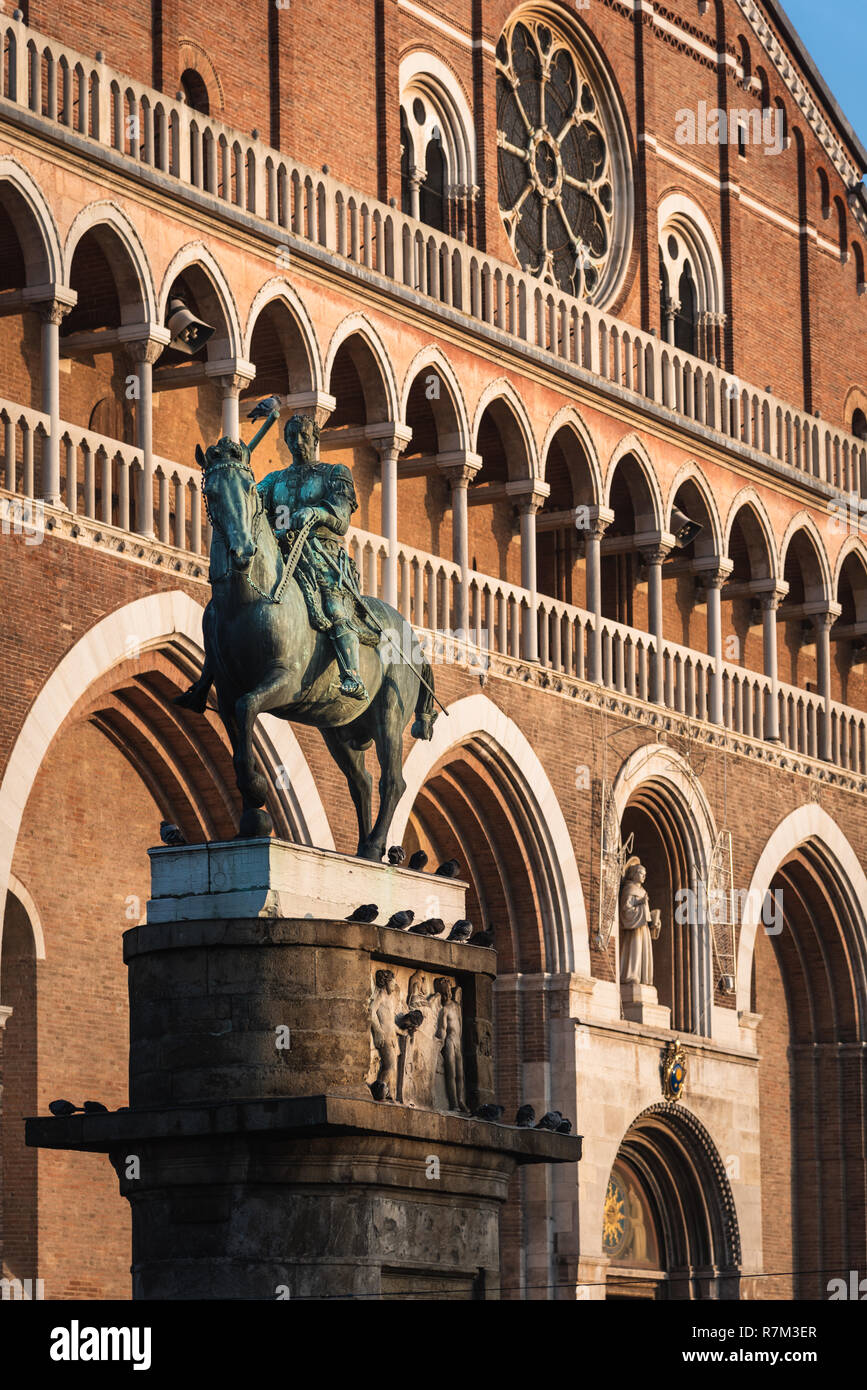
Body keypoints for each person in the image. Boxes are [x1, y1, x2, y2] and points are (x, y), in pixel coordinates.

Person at [257, 412, 378, 700]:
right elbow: (253, 503)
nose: (297, 442)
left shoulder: (334, 473)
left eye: (303, 436)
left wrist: (317, 511)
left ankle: (352, 676)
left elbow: (341, 518)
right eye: (291, 437)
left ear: (315, 438)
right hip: (281, 551)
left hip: (322, 554)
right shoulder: (275, 480)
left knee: (335, 608)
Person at [618, 857, 660, 987]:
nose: (644, 876)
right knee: (634, 951)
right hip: (634, 928)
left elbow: (644, 912)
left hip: (643, 928)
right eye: (641, 873)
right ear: (634, 874)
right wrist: (640, 905)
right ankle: (631, 975)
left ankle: (643, 977)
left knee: (643, 953)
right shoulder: (629, 889)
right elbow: (625, 911)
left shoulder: (643, 891)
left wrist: (654, 922)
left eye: (645, 874)